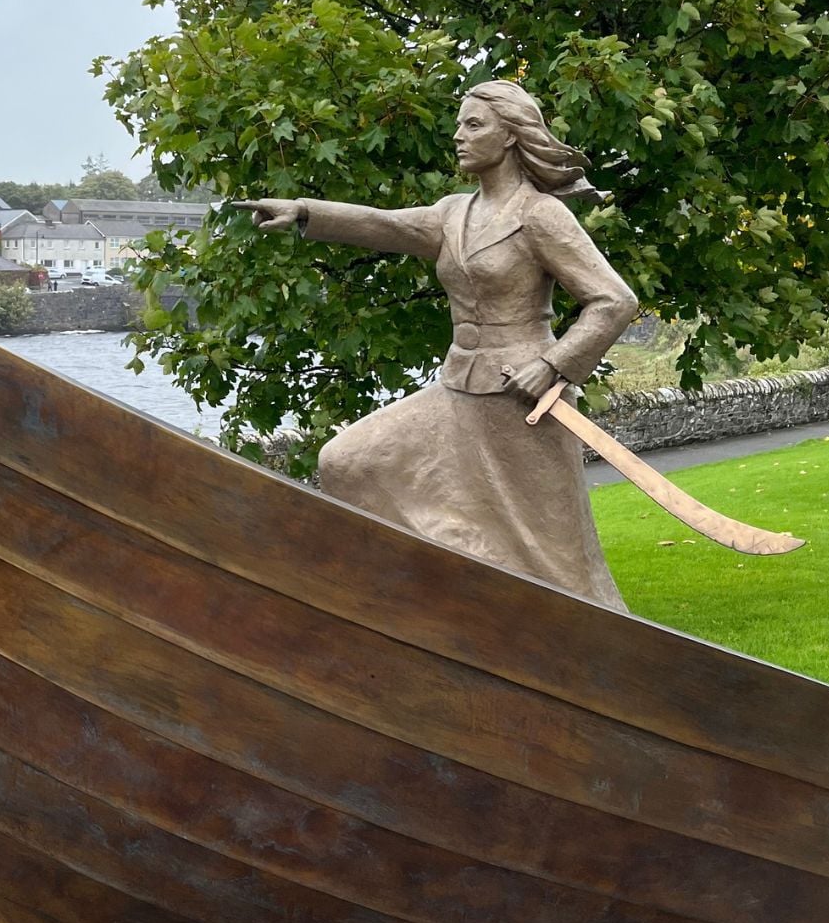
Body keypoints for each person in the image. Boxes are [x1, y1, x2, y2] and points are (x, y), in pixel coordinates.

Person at [240, 81, 637, 610]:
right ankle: (460, 586)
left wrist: (553, 365)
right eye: (458, 124)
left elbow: (613, 300)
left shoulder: (541, 214)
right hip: (458, 389)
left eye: (474, 124)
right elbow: (383, 224)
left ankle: (599, 645)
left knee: (558, 561)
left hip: (525, 402)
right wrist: (303, 211)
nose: (458, 136)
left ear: (510, 136)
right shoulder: (453, 214)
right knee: (346, 462)